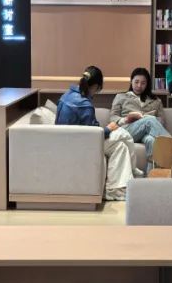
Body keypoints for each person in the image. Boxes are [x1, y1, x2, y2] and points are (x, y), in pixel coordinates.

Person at [56, 66, 136, 201]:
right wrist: (108, 129)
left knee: (120, 146)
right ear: (96, 86)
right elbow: (93, 136)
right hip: (81, 145)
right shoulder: (85, 105)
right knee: (122, 134)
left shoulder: (66, 95)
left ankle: (114, 189)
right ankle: (122, 181)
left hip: (65, 142)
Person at [109, 68, 170, 166]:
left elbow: (162, 121)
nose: (139, 86)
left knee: (151, 140)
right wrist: (125, 119)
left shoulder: (156, 101)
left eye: (143, 83)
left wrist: (149, 118)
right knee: (149, 120)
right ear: (131, 81)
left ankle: (151, 173)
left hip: (147, 131)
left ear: (147, 84)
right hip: (128, 130)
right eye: (136, 82)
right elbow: (113, 117)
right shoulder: (121, 97)